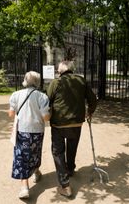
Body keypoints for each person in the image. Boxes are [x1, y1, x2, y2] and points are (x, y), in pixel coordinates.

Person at [47, 60, 97, 197]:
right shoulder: (81, 81)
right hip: (76, 123)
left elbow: (47, 101)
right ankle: (70, 169)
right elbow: (93, 100)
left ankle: (65, 185)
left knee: (58, 152)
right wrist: (90, 111)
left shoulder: (55, 83)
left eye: (58, 70)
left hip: (58, 123)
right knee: (72, 146)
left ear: (61, 71)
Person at [8, 71, 50, 199]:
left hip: (22, 130)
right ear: (37, 82)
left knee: (21, 157)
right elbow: (46, 118)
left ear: (25, 81)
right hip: (37, 130)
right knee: (35, 153)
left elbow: (11, 114)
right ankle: (36, 172)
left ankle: (24, 188)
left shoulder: (15, 94)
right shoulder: (42, 97)